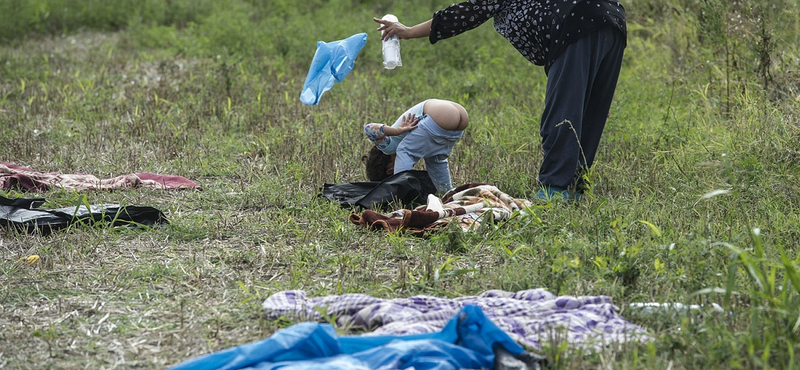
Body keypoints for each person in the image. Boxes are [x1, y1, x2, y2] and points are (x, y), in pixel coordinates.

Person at [374, 1, 627, 201]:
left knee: (563, 114)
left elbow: (466, 13)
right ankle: (577, 187)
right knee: (588, 115)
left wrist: (408, 32)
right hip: (610, 19)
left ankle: (555, 189)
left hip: (574, 24)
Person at [363, 99, 468, 194]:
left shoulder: (388, 147)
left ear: (390, 170)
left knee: (404, 151)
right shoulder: (407, 141)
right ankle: (447, 193)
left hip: (440, 114)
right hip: (458, 115)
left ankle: (402, 194)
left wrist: (396, 131)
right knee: (436, 159)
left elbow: (369, 128)